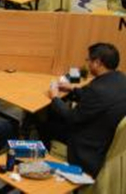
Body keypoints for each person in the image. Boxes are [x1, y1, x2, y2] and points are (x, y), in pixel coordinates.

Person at [40, 43, 126, 177]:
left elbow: (72, 117)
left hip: (87, 145)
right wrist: (73, 89)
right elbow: (97, 101)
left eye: (89, 60)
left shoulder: (97, 89)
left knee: (45, 125)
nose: (88, 64)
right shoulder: (120, 79)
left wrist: (55, 97)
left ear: (97, 63)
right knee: (54, 115)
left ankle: (44, 169)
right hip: (105, 133)